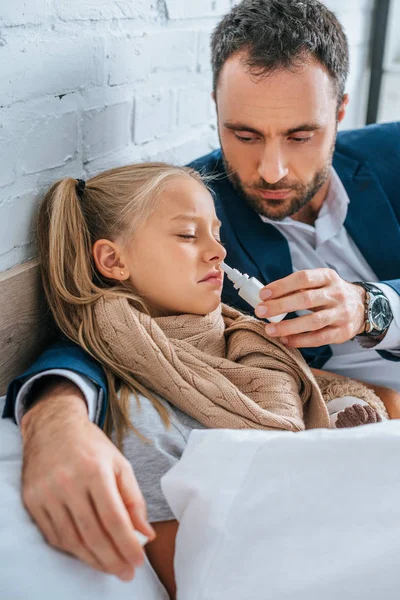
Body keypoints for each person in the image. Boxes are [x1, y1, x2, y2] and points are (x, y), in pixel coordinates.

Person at [3, 0, 400, 584]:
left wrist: (375, 306)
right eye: (243, 134)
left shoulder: (393, 158)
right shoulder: (190, 209)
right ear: (215, 111)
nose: (270, 169)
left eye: (300, 135)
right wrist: (52, 420)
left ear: (341, 110)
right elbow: (107, 324)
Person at [32, 162, 389, 598]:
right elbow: (198, 582)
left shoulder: (254, 347)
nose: (218, 251)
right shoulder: (148, 421)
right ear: (113, 260)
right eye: (187, 235)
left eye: (216, 234)